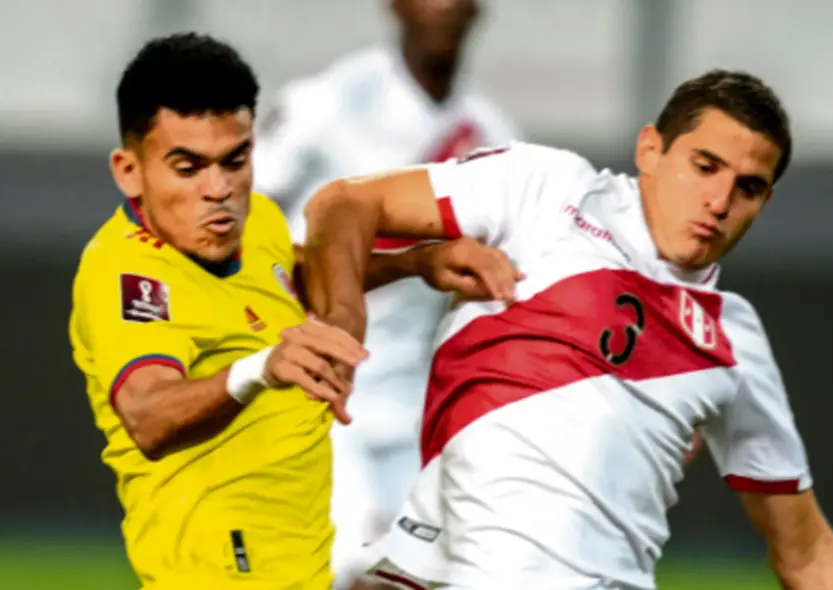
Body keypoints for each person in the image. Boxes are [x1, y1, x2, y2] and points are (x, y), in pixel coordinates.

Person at [302, 70, 833, 589]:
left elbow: (804, 549)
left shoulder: (731, 339)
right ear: (650, 149)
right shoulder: (550, 190)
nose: (719, 202)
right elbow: (345, 203)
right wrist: (345, 322)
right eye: (705, 166)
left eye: (748, 187)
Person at [68, 32, 520, 589]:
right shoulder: (127, 273)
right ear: (129, 171)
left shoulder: (254, 222)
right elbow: (148, 414)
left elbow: (295, 272)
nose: (218, 190)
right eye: (187, 168)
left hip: (295, 561)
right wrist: (261, 368)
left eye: (234, 162)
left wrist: (417, 263)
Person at [252, 1, 521, 584]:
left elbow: (526, 273)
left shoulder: (493, 135)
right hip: (315, 389)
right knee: (357, 573)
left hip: (413, 403)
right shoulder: (329, 103)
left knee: (422, 577)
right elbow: (243, 213)